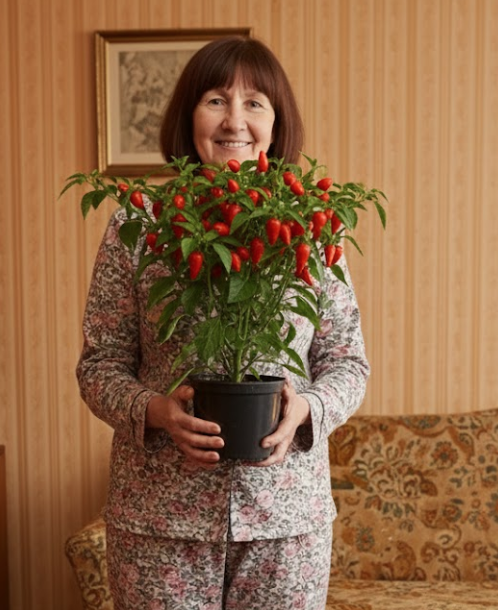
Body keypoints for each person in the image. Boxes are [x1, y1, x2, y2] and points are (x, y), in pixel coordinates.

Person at [77, 36, 370, 610]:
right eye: (216, 99)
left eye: (255, 102)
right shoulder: (140, 224)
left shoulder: (310, 226)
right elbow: (99, 365)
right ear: (188, 116)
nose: (235, 120)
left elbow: (347, 361)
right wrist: (156, 411)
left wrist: (307, 408)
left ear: (276, 124)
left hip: (285, 517)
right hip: (160, 518)